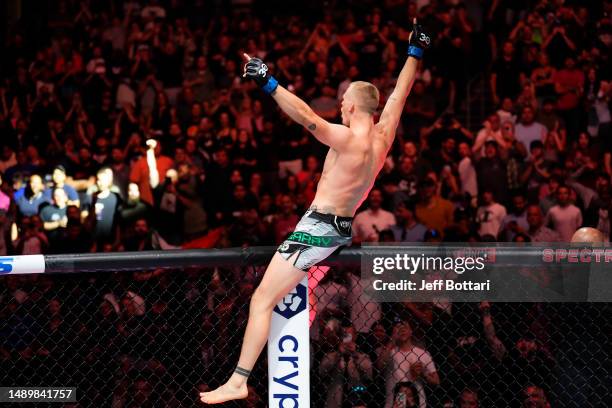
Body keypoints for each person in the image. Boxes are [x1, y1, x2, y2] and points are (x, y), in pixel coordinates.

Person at [200, 19, 431, 404]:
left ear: (354, 105)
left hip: (318, 230)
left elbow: (307, 116)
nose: (339, 106)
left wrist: (267, 80)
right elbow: (400, 94)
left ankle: (239, 379)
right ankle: (306, 299)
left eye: (343, 101)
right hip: (337, 228)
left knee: (261, 300)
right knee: (286, 290)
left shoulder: (349, 139)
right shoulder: (383, 136)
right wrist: (416, 50)